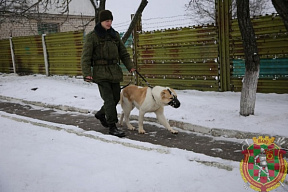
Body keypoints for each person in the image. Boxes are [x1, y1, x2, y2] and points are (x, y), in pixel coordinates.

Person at [81, 10, 135, 137]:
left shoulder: (114, 35)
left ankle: (101, 114)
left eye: (110, 21)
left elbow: (123, 53)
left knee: (116, 98)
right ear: (101, 21)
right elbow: (85, 57)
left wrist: (130, 67)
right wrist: (87, 73)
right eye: (107, 21)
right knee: (109, 100)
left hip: (114, 72)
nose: (109, 23)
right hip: (100, 73)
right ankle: (112, 126)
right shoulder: (92, 36)